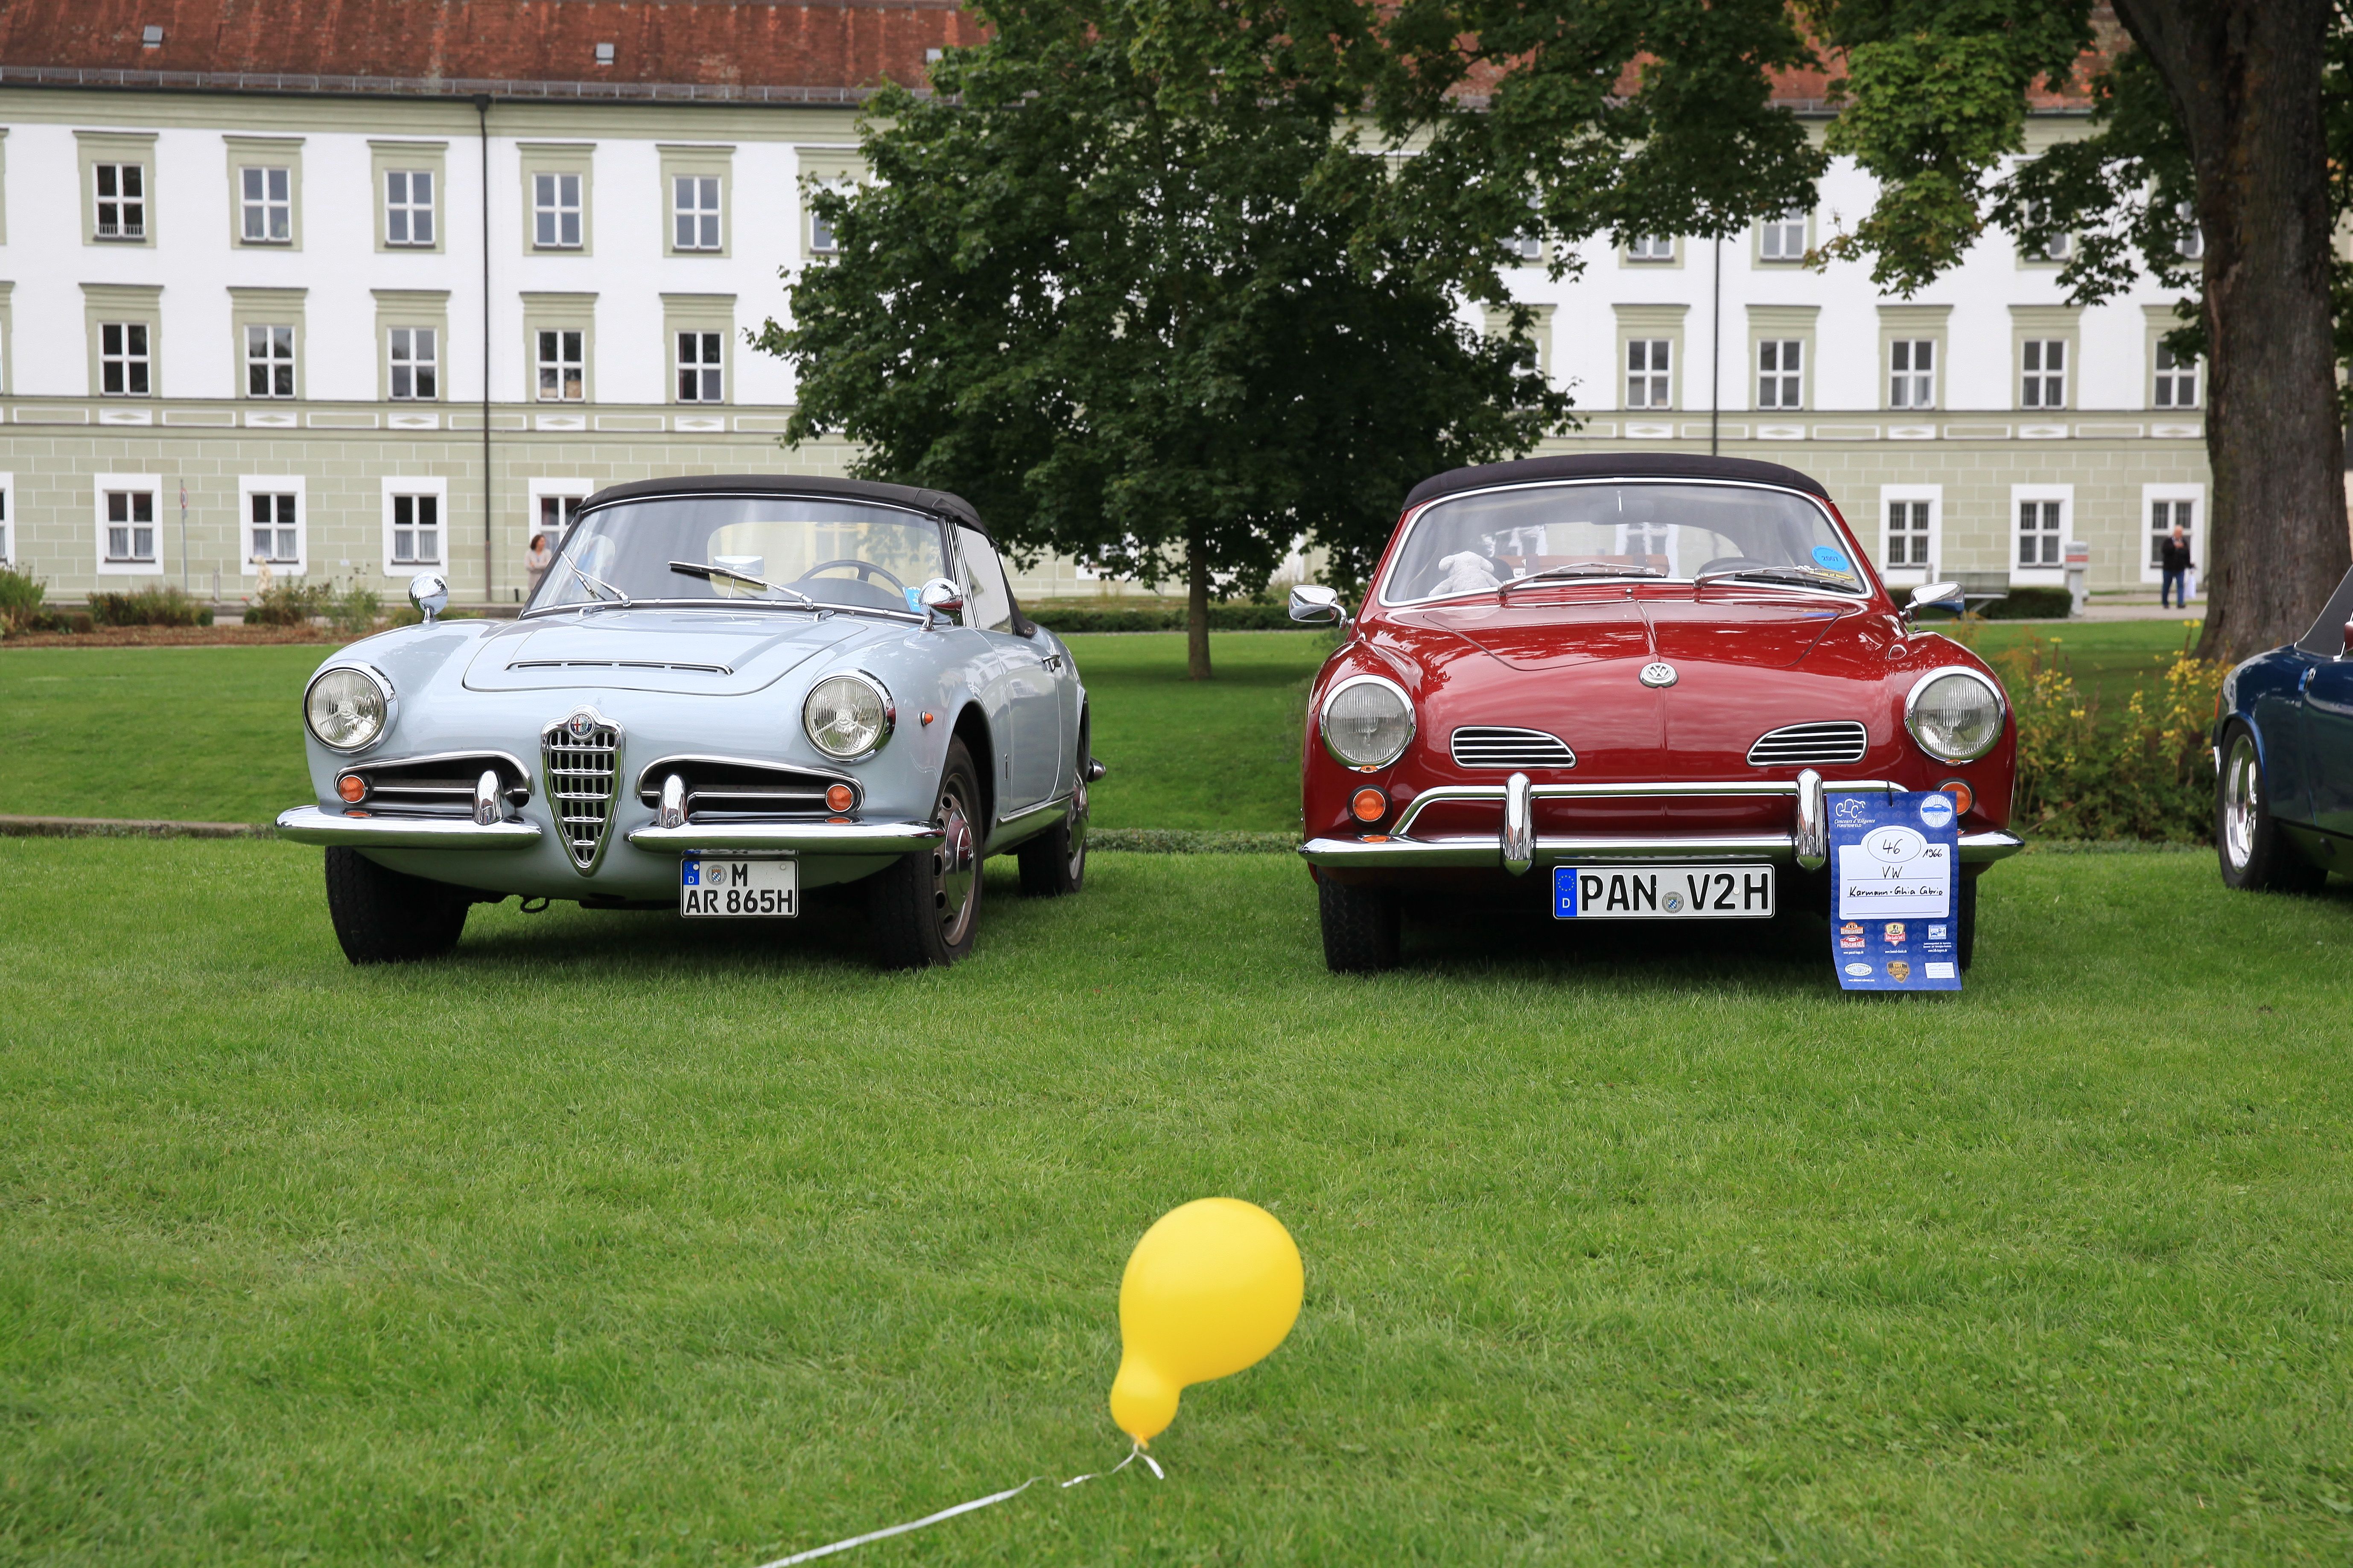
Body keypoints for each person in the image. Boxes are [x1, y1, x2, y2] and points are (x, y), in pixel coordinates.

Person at [2160, 522, 2193, 609]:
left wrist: (2189, 566)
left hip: (2180, 569)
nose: (2179, 535)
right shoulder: (2168, 541)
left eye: (2181, 533)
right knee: (2166, 586)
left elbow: (2187, 554)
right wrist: (2175, 547)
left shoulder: (2184, 542)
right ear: (2174, 533)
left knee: (2181, 586)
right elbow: (2165, 551)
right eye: (2178, 533)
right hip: (2168, 568)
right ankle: (2165, 603)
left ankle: (2180, 603)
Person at [525, 532, 553, 600]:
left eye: (544, 542)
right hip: (533, 580)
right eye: (541, 541)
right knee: (534, 599)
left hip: (543, 579)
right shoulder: (529, 553)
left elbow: (548, 565)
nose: (543, 543)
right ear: (536, 542)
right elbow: (527, 566)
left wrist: (535, 565)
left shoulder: (548, 553)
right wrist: (541, 565)